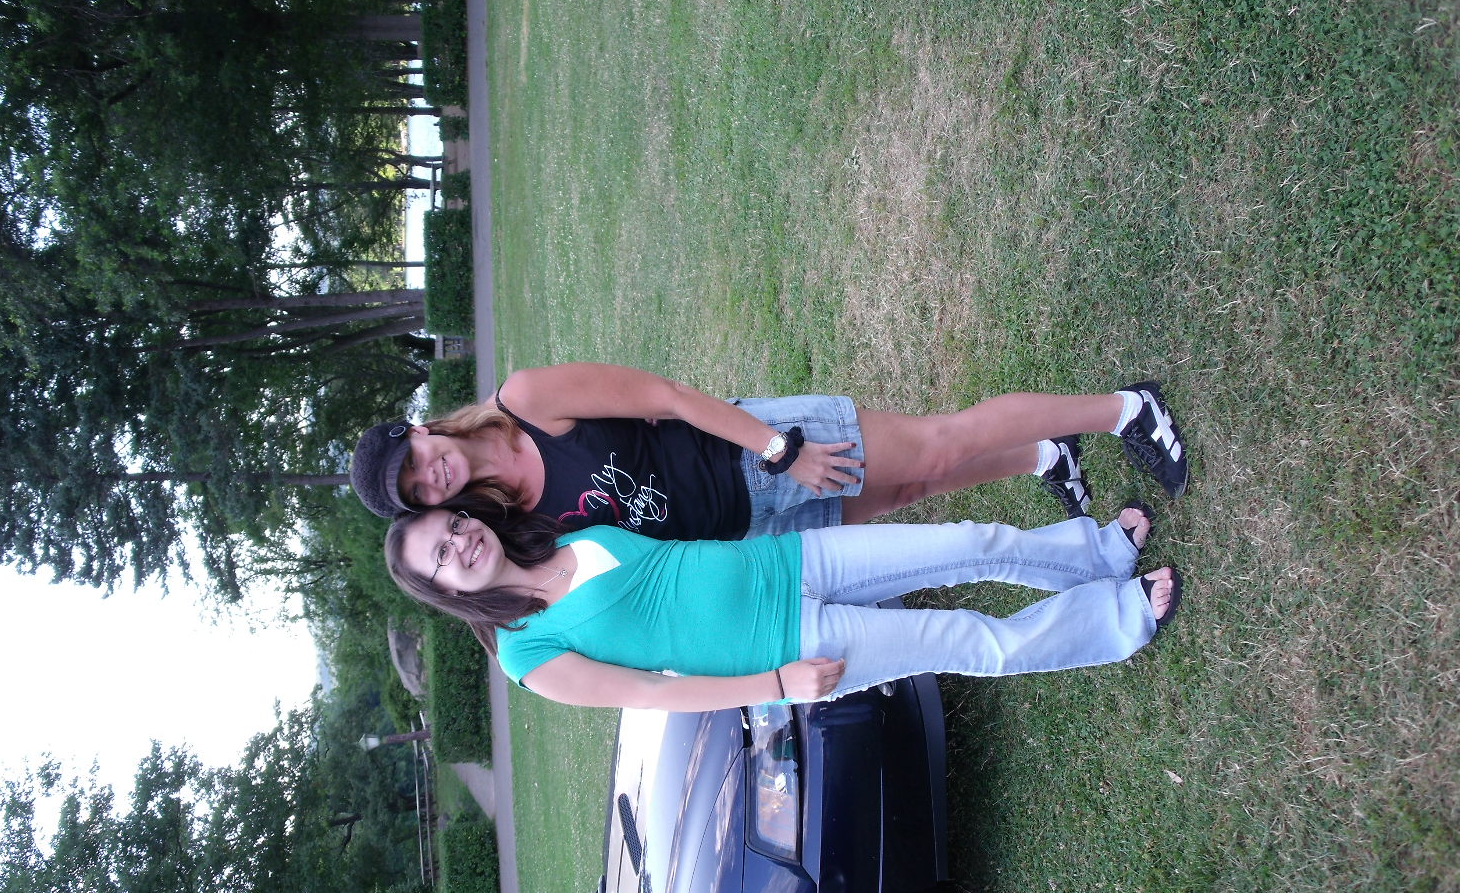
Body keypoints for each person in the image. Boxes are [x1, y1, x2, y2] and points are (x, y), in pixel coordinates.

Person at [384, 500, 1183, 712]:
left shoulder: (552, 535)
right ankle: (1122, 619)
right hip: (791, 643)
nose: (460, 543)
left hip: (793, 559)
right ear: (441, 590)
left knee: (968, 542)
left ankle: (1098, 555)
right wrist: (775, 686)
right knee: (971, 640)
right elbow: (652, 692)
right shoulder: (524, 649)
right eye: (440, 557)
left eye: (451, 526)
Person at [350, 363, 1190, 540]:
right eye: (418, 492)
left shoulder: (527, 400)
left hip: (749, 454)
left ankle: (1127, 410)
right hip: (748, 529)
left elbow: (664, 397)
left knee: (936, 446)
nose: (431, 477)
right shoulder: (506, 525)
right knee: (910, 492)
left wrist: (781, 449)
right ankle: (1046, 456)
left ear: (420, 430)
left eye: (414, 461)